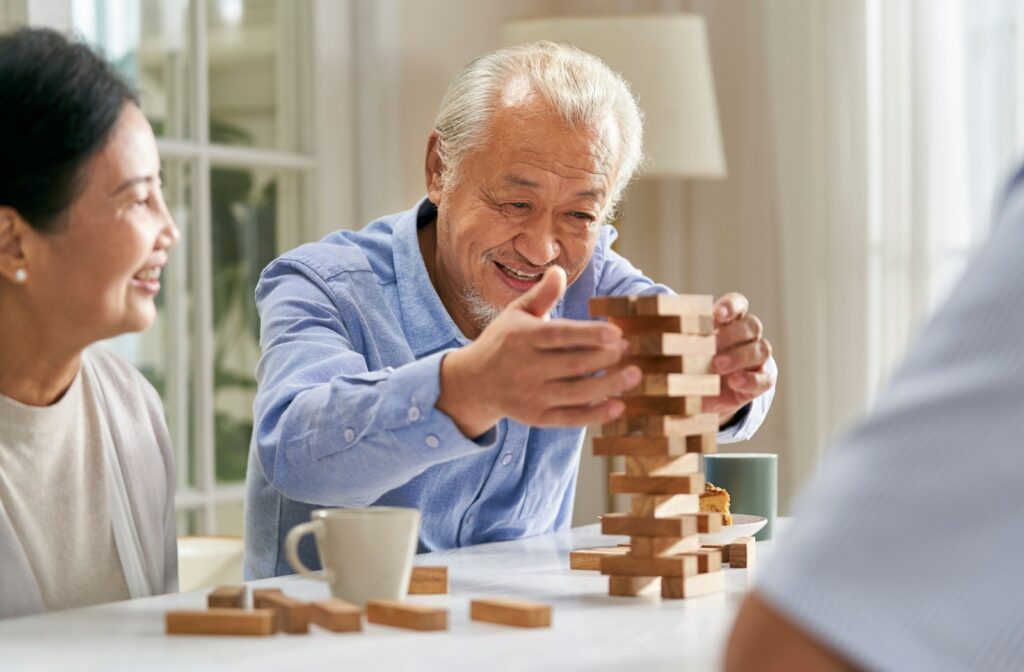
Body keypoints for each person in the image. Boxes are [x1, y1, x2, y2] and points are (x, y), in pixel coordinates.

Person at [245, 41, 778, 578]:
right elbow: (294, 455)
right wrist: (469, 388)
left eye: (578, 214)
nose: (542, 250)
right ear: (439, 169)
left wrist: (719, 384)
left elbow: (694, 358)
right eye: (516, 204)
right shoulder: (322, 284)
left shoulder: (592, 279)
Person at [725, 164, 1024, 670]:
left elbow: (793, 641)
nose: (543, 247)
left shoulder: (604, 270)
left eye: (582, 213)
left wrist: (728, 377)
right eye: (534, 204)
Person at [0, 28, 180, 618]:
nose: (168, 231)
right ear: (12, 243)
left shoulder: (133, 412)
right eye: (134, 200)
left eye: (161, 192)